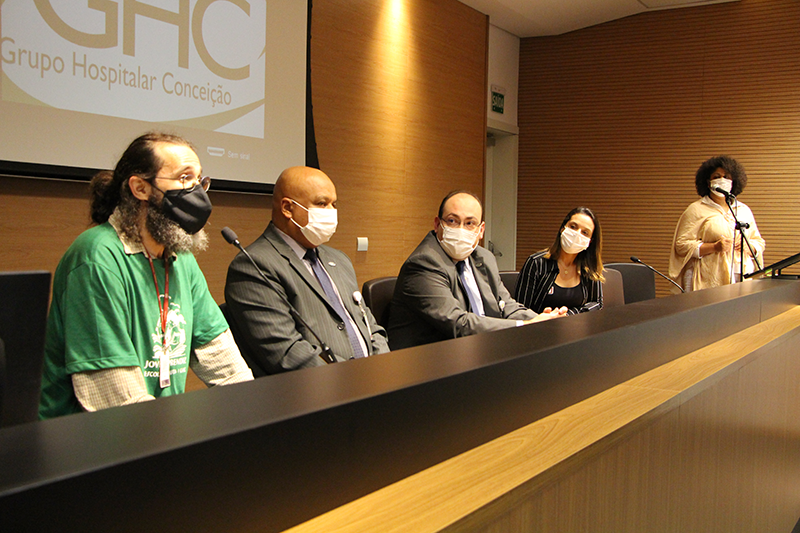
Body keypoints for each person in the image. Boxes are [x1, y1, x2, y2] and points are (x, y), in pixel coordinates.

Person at [39, 133, 253, 419]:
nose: (198, 193)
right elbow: (115, 398)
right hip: (83, 436)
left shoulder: (181, 258)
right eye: (184, 178)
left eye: (199, 180)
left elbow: (225, 364)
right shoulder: (97, 257)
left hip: (155, 428)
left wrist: (253, 413)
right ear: (140, 188)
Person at [224, 166, 389, 375]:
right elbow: (288, 353)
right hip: (315, 389)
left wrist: (382, 368)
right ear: (287, 208)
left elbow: (371, 326)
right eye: (321, 204)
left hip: (372, 381)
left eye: (334, 204)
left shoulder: (339, 259)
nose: (331, 212)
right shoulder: (253, 266)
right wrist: (355, 379)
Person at [387, 190, 566, 350]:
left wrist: (542, 321)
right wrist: (525, 326)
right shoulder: (424, 263)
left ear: (481, 230)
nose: (460, 229)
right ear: (437, 224)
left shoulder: (484, 257)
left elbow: (505, 304)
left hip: (477, 351)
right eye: (452, 221)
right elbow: (459, 323)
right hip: (430, 361)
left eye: (469, 223)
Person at [669, 155, 765, 291]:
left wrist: (749, 246)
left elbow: (758, 242)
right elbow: (681, 245)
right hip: (708, 277)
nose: (722, 180)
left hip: (741, 275)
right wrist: (714, 247)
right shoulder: (696, 209)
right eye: (717, 176)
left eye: (727, 176)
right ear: (708, 182)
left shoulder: (743, 209)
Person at [515, 207, 604, 314]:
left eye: (585, 232)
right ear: (563, 228)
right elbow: (520, 309)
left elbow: (597, 303)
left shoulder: (589, 267)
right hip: (539, 323)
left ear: (590, 241)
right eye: (573, 227)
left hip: (576, 324)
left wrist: (569, 314)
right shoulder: (536, 263)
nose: (577, 234)